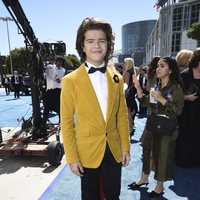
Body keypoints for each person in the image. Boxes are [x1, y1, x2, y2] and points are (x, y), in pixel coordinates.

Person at [60, 17, 130, 200]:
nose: (96, 46)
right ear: (82, 46)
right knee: (89, 196)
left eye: (101, 40)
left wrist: (126, 146)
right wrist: (72, 157)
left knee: (113, 195)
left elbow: (121, 116)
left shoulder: (118, 78)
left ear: (108, 44)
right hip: (86, 151)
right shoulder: (70, 81)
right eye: (90, 41)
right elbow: (66, 123)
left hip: (113, 149)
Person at [129, 56, 184, 197]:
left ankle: (160, 186)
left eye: (162, 66)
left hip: (167, 126)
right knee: (147, 150)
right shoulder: (157, 84)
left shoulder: (176, 86)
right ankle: (144, 178)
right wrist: (138, 88)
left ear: (170, 70)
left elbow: (178, 110)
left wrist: (162, 99)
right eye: (158, 66)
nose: (158, 69)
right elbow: (147, 102)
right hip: (153, 123)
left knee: (163, 154)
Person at [175, 48, 200, 167]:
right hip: (186, 114)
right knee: (185, 138)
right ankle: (184, 160)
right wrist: (187, 97)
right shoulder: (184, 76)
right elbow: (174, 96)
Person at [43, 56, 65, 123]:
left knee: (59, 108)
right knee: (46, 107)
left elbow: (58, 78)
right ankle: (43, 122)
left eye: (61, 62)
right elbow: (47, 74)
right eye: (58, 61)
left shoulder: (62, 70)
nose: (59, 63)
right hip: (50, 90)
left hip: (58, 91)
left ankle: (60, 123)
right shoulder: (51, 67)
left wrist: (58, 78)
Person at [123, 57, 138, 138]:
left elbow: (126, 85)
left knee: (128, 112)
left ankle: (130, 129)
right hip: (131, 94)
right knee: (130, 112)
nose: (123, 64)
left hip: (127, 95)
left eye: (124, 62)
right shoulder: (133, 72)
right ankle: (131, 128)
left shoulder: (127, 73)